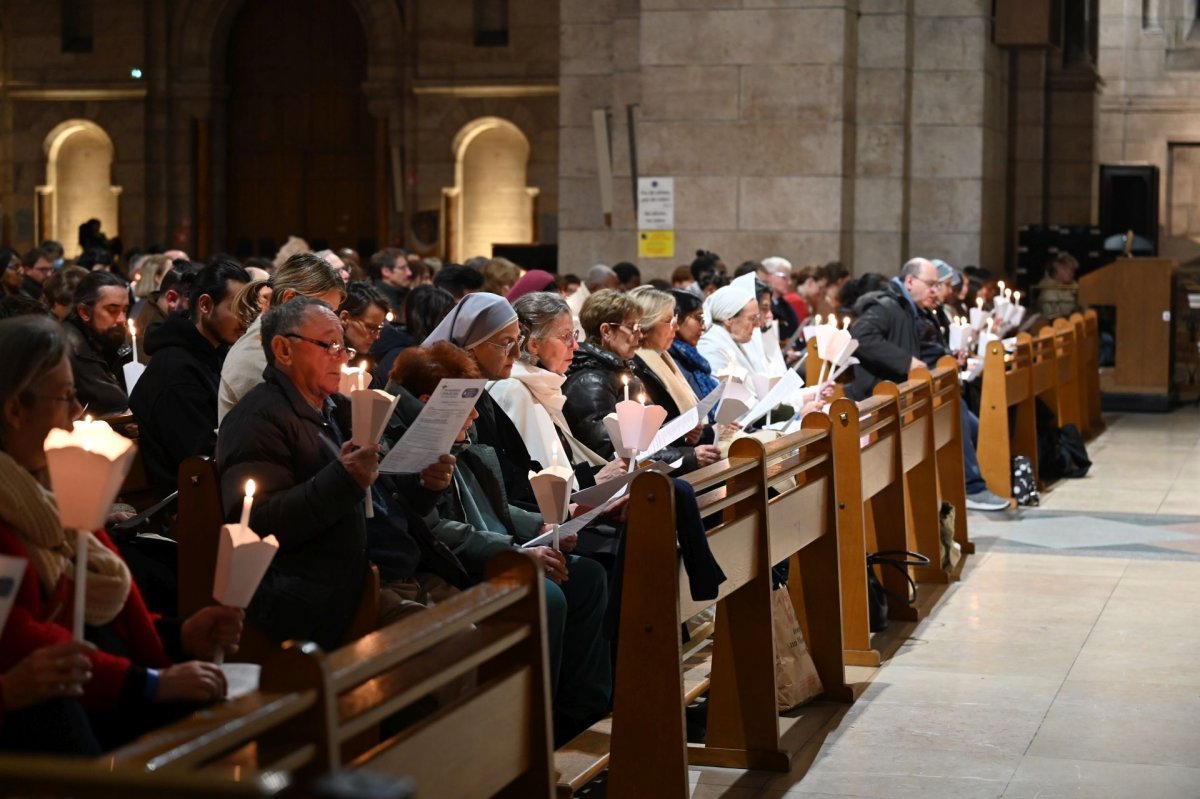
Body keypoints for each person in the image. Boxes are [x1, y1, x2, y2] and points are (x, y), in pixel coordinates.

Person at [0, 316, 241, 750]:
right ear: (16, 410)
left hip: (99, 696)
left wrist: (178, 633)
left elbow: (96, 619)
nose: (78, 412)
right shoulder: (11, 511)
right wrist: (149, 683)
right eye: (68, 396)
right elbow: (33, 649)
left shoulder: (48, 492)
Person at [389, 342, 611, 746]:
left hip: (500, 548)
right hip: (459, 568)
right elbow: (438, 531)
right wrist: (518, 553)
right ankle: (530, 735)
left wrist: (546, 525)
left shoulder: (453, 432)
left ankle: (581, 718)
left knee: (589, 576)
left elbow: (495, 505)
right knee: (546, 596)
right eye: (468, 404)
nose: (475, 415)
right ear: (429, 403)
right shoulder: (406, 445)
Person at [216, 298, 380, 649]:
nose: (343, 357)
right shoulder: (257, 420)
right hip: (305, 601)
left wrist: (428, 484)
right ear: (283, 350)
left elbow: (386, 500)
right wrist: (344, 480)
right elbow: (256, 522)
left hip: (358, 580)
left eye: (343, 345)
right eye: (329, 344)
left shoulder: (338, 409)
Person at [849, 258, 1009, 511]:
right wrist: (907, 362)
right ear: (910, 281)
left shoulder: (915, 308)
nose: (936, 290)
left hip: (908, 392)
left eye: (937, 285)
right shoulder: (886, 305)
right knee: (957, 415)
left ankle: (960, 485)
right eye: (931, 284)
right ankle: (970, 487)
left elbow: (920, 349)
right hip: (884, 397)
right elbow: (861, 336)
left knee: (969, 421)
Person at [490, 292, 628, 500]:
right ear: (534, 344)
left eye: (575, 335)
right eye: (566, 337)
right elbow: (532, 481)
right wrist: (594, 481)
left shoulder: (540, 384)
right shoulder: (513, 391)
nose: (575, 346)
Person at [129, 260, 249, 490]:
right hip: (188, 501)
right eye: (237, 309)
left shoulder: (217, 352)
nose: (245, 320)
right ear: (205, 305)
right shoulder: (176, 370)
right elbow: (198, 456)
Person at [218, 252, 345, 423]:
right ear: (289, 298)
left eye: (333, 312)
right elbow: (301, 420)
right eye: (324, 308)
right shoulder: (255, 354)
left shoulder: (292, 341)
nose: (331, 320)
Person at [628, 287, 720, 470]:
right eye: (669, 321)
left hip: (685, 452)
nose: (676, 328)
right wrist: (688, 444)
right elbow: (650, 437)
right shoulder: (637, 366)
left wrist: (696, 432)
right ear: (647, 324)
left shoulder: (661, 355)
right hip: (670, 467)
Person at [63, 270, 131, 416]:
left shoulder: (111, 341)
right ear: (84, 312)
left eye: (125, 310)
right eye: (112, 310)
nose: (122, 319)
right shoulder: (70, 347)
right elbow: (116, 403)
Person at [370, 284, 456, 387]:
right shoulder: (402, 356)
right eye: (448, 316)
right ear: (433, 319)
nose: (453, 323)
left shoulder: (415, 348)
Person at [696, 283, 759, 385]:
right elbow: (723, 394)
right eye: (752, 318)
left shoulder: (730, 339)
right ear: (729, 319)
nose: (757, 324)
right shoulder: (710, 347)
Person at [666, 288, 720, 406]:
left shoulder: (688, 356)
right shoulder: (669, 358)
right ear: (677, 320)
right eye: (699, 318)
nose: (704, 327)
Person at [130, 268, 194, 364]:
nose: (202, 308)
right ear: (172, 298)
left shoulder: (156, 311)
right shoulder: (155, 337)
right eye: (195, 299)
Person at [337, 281, 390, 378]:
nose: (377, 336)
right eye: (371, 327)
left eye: (379, 328)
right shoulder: (325, 357)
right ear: (344, 318)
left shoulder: (367, 362)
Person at [760, 256, 800, 342]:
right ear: (768, 276)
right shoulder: (759, 304)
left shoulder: (786, 306)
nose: (789, 282)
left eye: (790, 278)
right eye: (784, 277)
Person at [367, 247, 411, 317]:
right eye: (402, 268)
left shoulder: (405, 295)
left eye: (408, 267)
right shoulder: (374, 301)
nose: (409, 273)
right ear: (386, 271)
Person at [1035, 252, 1079, 320]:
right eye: (1065, 269)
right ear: (1056, 269)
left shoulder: (1074, 287)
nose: (1070, 273)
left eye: (1072, 270)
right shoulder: (1049, 291)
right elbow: (1054, 318)